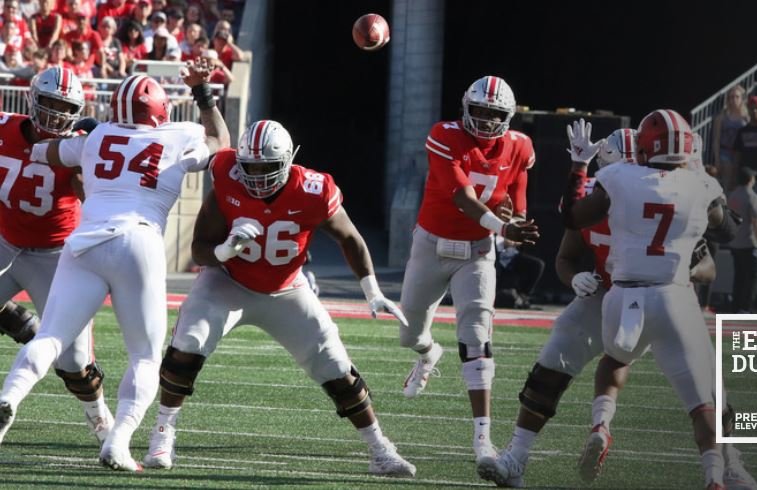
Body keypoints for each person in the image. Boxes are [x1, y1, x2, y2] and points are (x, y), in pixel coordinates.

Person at [142, 120, 416, 476]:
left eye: (265, 168)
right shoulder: (226, 172)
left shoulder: (315, 189)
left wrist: (372, 289)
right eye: (249, 167)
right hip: (228, 281)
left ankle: (380, 449)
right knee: (186, 346)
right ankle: (162, 434)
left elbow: (349, 238)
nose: (255, 176)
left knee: (336, 367)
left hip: (286, 287)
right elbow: (199, 249)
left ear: (288, 161)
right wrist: (225, 251)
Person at [0, 61, 230, 471]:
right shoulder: (180, 134)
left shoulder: (96, 137)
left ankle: (9, 397)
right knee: (143, 355)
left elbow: (44, 150)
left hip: (82, 242)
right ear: (161, 113)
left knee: (51, 336)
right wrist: (202, 93)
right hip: (138, 241)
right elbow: (220, 139)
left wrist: (85, 135)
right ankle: (118, 442)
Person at [557, 109, 743, 489]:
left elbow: (573, 216)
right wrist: (701, 180)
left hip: (624, 296)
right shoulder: (699, 184)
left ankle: (601, 425)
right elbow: (727, 231)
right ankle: (714, 474)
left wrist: (579, 166)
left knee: (613, 363)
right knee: (702, 400)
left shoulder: (619, 177)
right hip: (674, 297)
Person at [398, 75, 540, 463]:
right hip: (431, 245)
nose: (484, 119)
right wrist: (503, 225)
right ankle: (428, 354)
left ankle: (483, 439)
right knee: (409, 333)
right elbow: (462, 197)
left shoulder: (519, 147)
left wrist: (517, 218)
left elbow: (518, 192)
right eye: (477, 110)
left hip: (478, 252)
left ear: (507, 116)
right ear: (465, 107)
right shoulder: (445, 135)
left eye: (492, 113)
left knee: (477, 334)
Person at [477, 125, 624, 487]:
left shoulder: (666, 195)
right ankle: (516, 458)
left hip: (659, 294)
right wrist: (575, 279)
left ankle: (728, 466)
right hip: (615, 292)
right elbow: (566, 257)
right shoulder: (592, 198)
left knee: (700, 385)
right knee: (554, 358)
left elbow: (704, 259)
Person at [0, 66, 116, 446]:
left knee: (74, 362)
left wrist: (94, 159)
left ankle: (98, 414)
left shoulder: (77, 149)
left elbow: (98, 195)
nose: (53, 114)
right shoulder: (4, 128)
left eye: (62, 107)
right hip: (4, 240)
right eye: (48, 103)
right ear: (33, 99)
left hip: (55, 257)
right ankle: (18, 322)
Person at [727, 167, 757, 313]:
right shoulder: (752, 197)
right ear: (750, 180)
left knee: (739, 276)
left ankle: (736, 305)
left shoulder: (733, 195)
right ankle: (745, 306)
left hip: (735, 241)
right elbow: (756, 222)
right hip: (749, 242)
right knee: (751, 277)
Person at [711, 84, 748, 191]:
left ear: (742, 99)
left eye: (737, 97)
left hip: (741, 153)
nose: (734, 100)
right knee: (728, 181)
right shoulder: (722, 117)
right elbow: (716, 139)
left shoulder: (746, 117)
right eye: (731, 97)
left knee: (738, 182)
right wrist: (717, 159)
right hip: (725, 151)